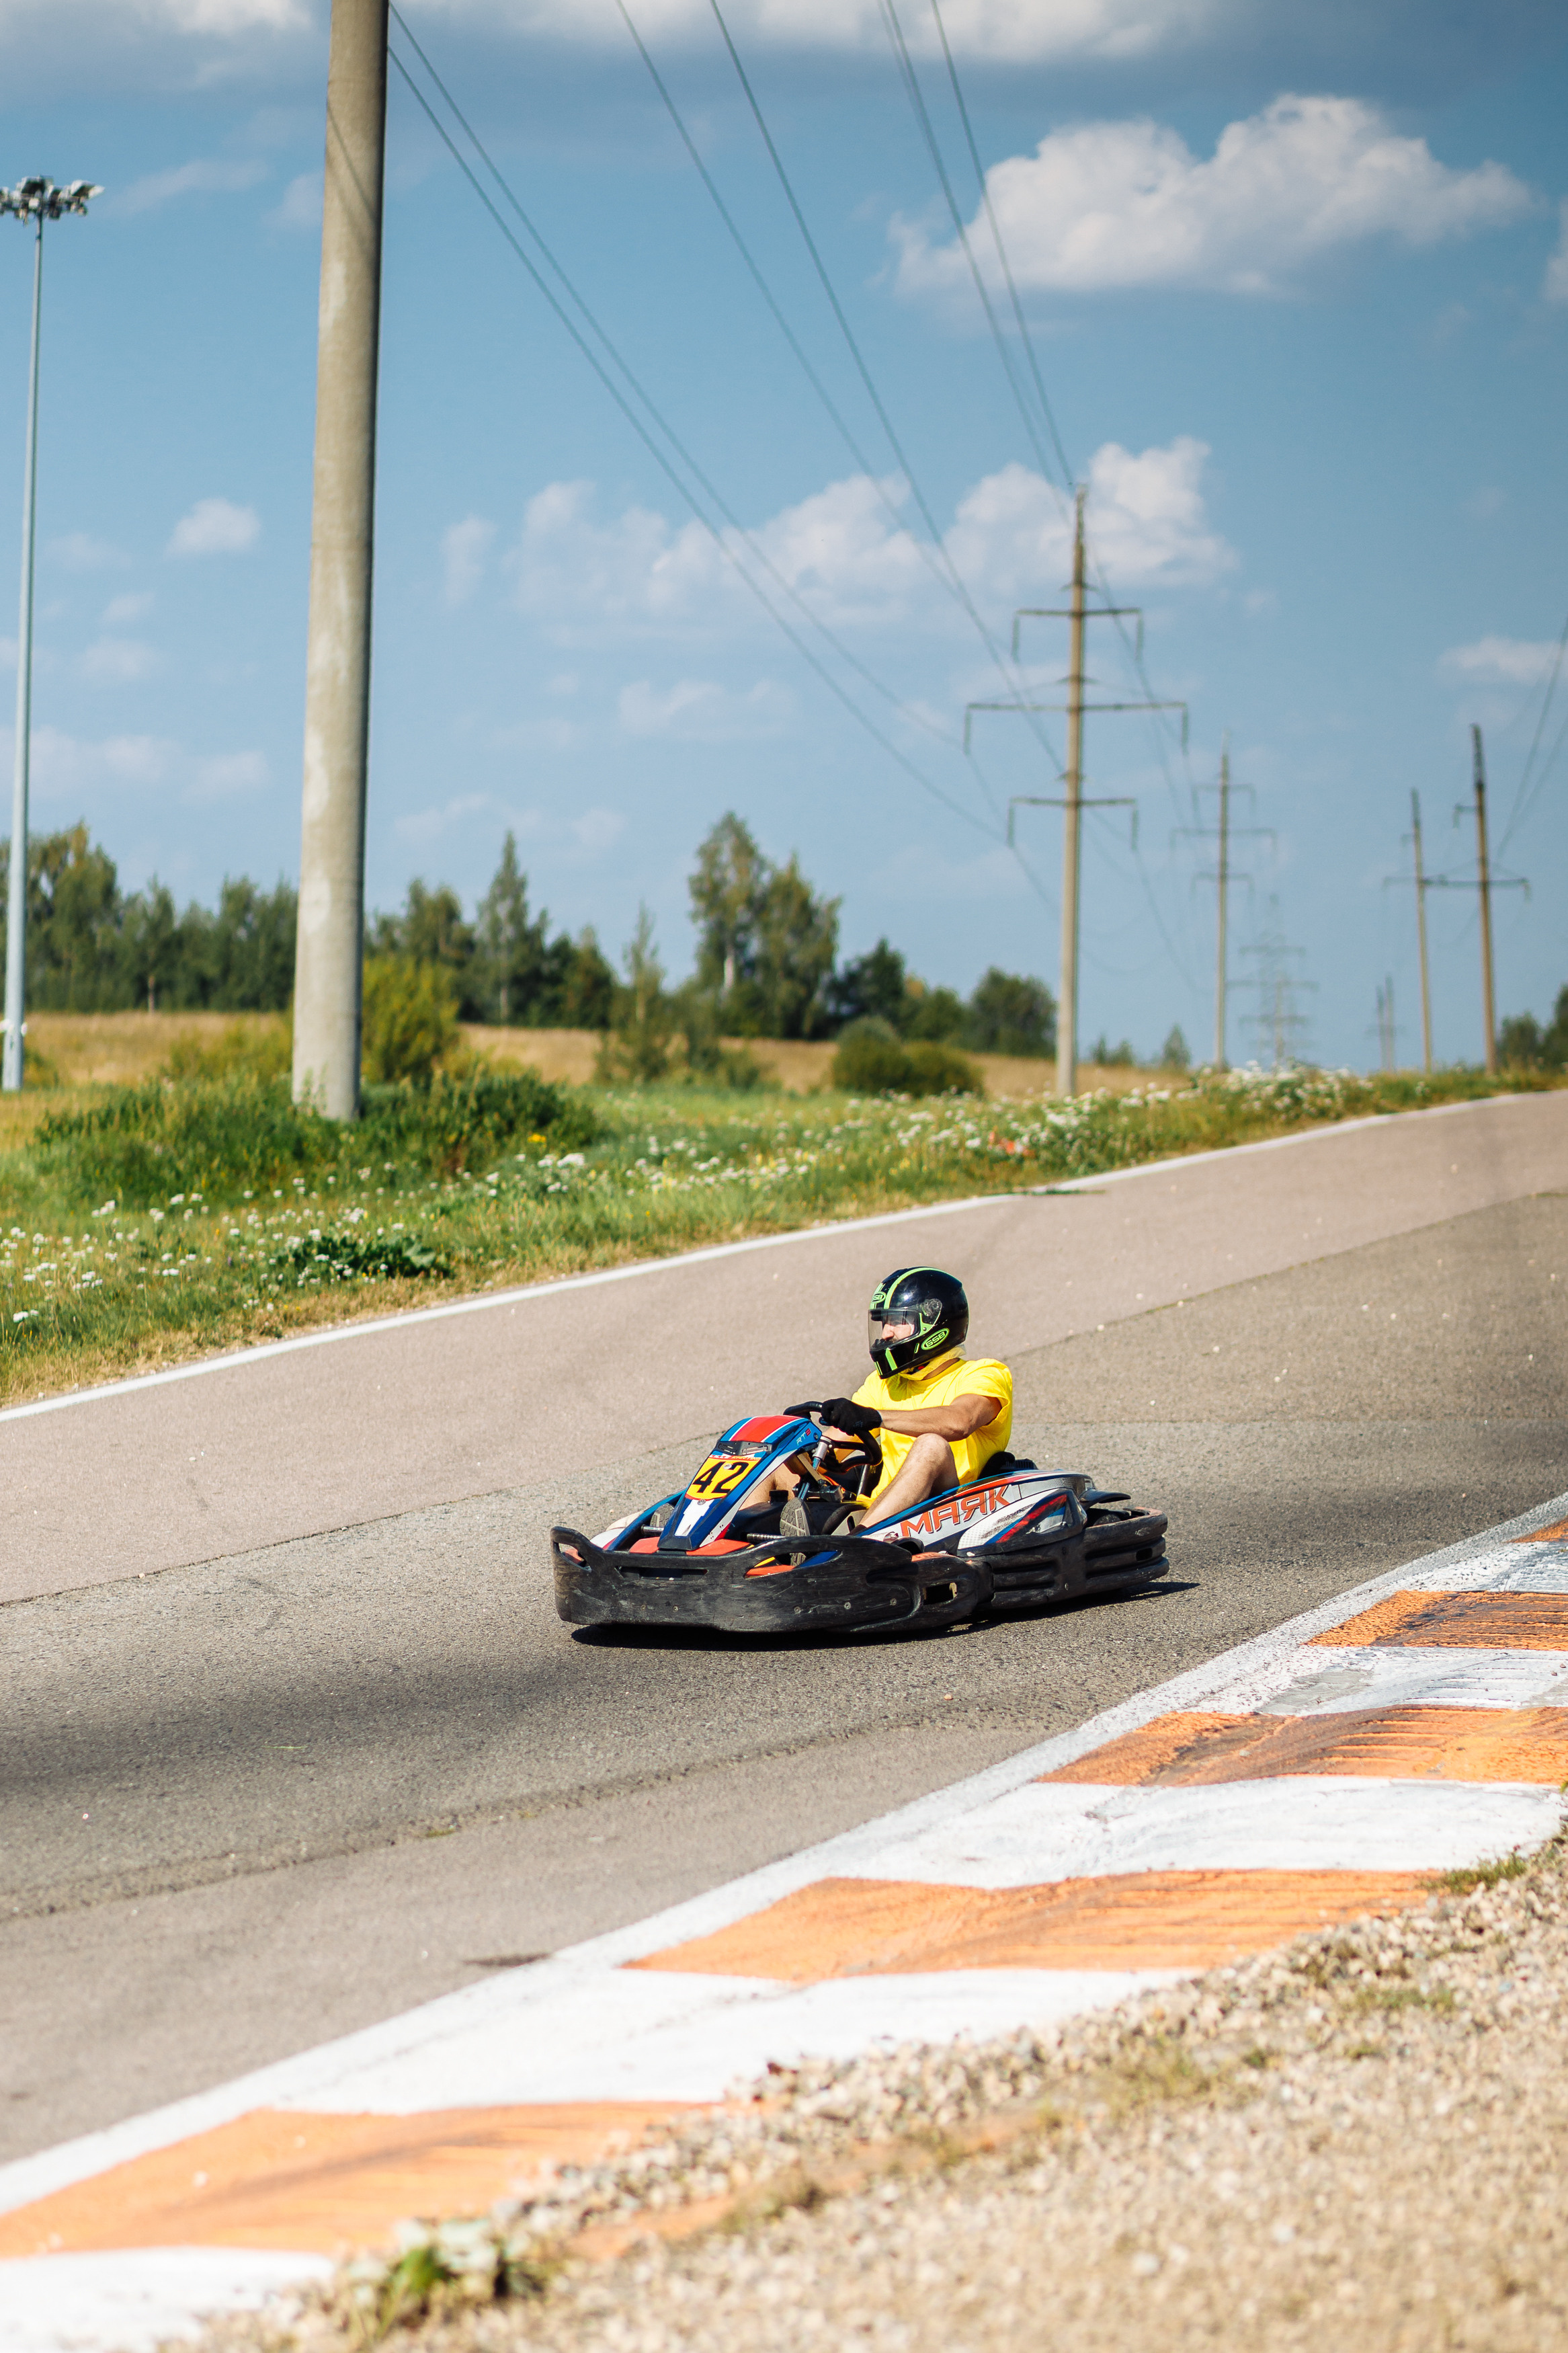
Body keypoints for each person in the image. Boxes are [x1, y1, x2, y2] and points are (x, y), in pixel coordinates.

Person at [812, 1266, 1012, 1525]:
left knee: (932, 1445)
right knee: (780, 1459)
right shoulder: (884, 1384)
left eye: (898, 1321)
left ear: (933, 1325)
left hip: (952, 1513)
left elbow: (960, 1421)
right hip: (879, 1512)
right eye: (884, 1322)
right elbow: (831, 1447)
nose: (886, 1333)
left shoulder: (984, 1373)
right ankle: (744, 1539)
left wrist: (875, 1418)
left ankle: (857, 1544)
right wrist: (798, 1452)